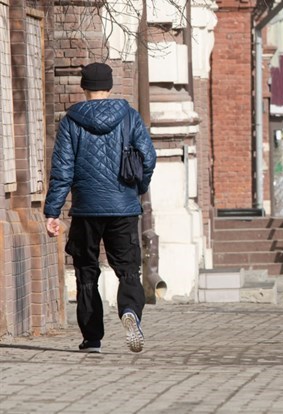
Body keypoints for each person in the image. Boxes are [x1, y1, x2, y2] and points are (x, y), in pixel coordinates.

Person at [43, 63, 157, 354]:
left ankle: (92, 338)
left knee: (86, 272)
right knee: (128, 270)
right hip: (123, 208)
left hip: (86, 209)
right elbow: (148, 158)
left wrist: (52, 212)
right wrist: (137, 189)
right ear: (109, 86)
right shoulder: (130, 117)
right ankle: (130, 311)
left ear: (84, 87)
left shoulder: (71, 121)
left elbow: (62, 170)